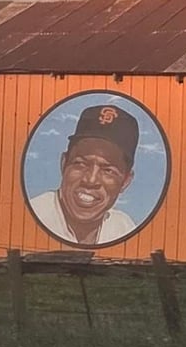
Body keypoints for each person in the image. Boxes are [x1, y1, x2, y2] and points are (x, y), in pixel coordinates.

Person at [29, 104, 139, 246]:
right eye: (81, 164)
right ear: (64, 164)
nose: (91, 180)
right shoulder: (34, 214)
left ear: (125, 181)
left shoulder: (123, 228)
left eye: (108, 170)